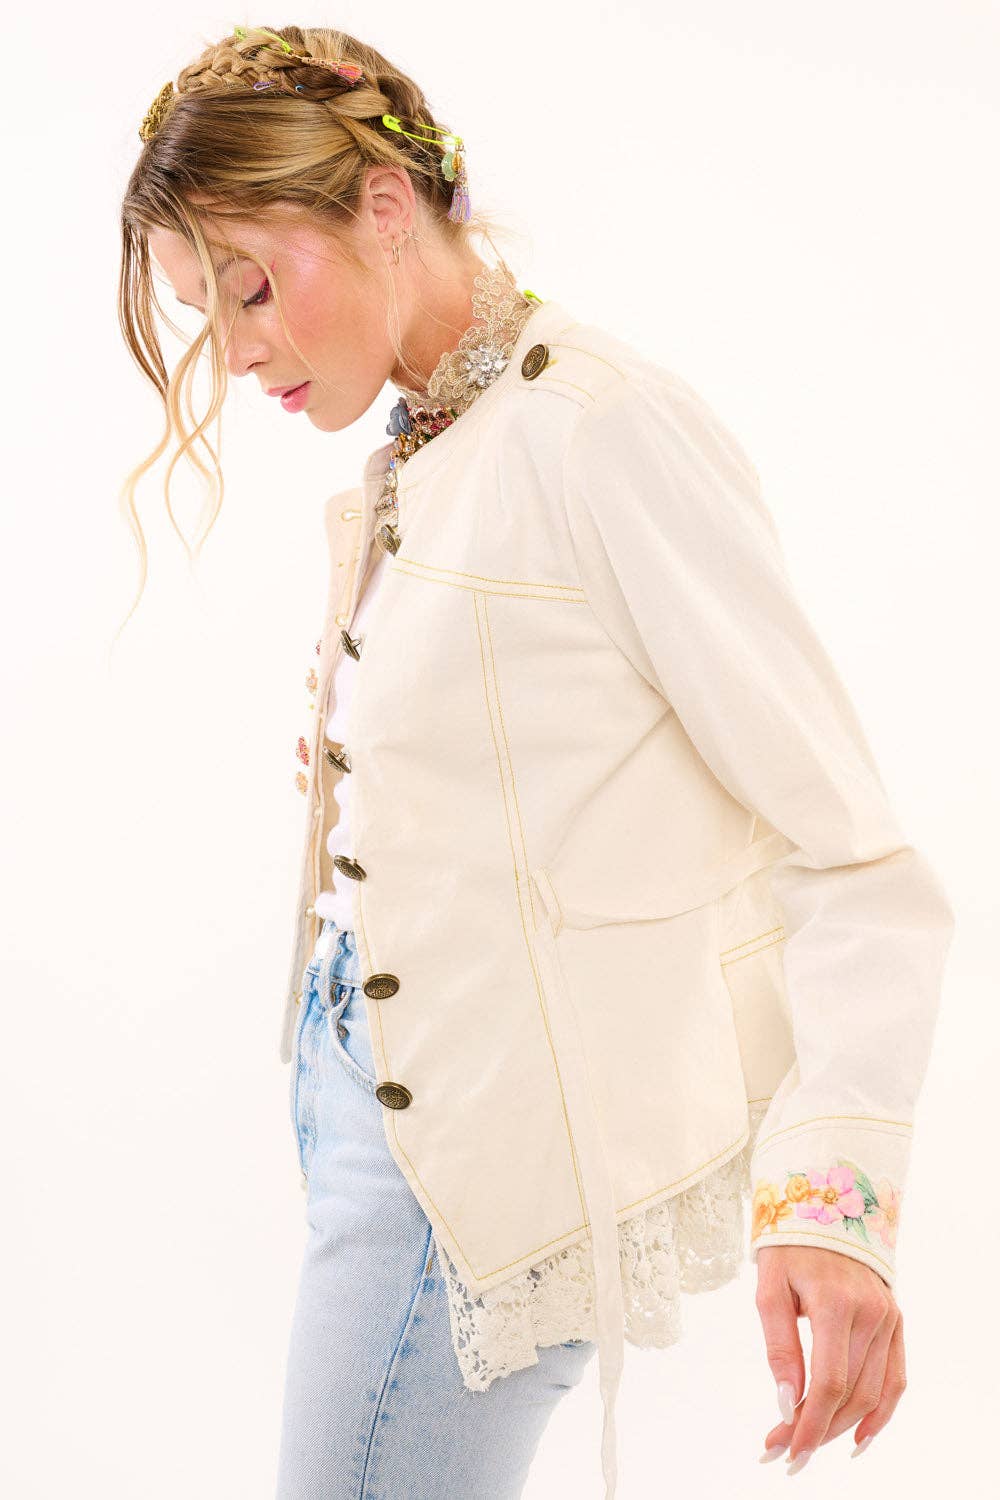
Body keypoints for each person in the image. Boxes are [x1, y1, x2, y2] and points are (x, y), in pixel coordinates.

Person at [118, 23, 956, 1500]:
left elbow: (857, 855)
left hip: (462, 1176)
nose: (237, 349)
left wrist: (836, 1208)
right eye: (205, 313)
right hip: (358, 1090)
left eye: (248, 287)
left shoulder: (600, 431)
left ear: (385, 203)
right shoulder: (443, 434)